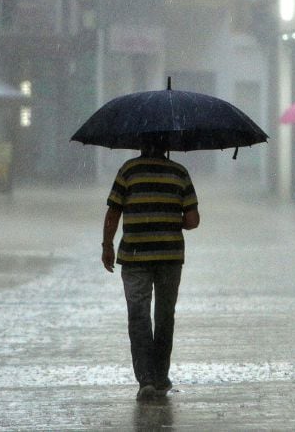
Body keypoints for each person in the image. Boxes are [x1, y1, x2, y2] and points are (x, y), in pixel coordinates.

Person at [101, 141, 200, 401]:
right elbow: (193, 221)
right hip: (170, 256)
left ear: (141, 144)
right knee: (165, 316)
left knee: (138, 317)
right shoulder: (179, 173)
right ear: (167, 145)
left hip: (134, 257)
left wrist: (107, 245)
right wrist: (168, 218)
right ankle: (160, 376)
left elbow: (113, 212)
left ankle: (145, 379)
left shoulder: (128, 171)